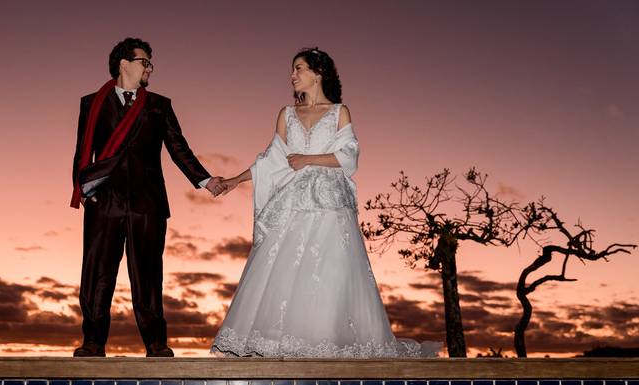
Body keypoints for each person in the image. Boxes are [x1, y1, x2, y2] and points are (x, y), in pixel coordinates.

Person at [210, 48, 441, 358]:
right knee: (285, 273)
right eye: (293, 69)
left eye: (299, 68)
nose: (292, 75)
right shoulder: (286, 114)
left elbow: (349, 156)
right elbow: (271, 160)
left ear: (318, 73)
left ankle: (327, 342)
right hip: (293, 203)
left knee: (329, 273)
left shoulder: (339, 112)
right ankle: (287, 345)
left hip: (330, 204)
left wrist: (309, 159)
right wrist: (235, 180)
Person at [71, 37, 226, 358]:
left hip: (148, 203)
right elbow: (82, 150)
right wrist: (83, 191)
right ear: (123, 64)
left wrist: (205, 180)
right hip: (104, 202)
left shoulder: (159, 105)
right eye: (145, 62)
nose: (150, 69)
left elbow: (178, 147)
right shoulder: (91, 103)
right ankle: (92, 343)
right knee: (97, 275)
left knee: (148, 275)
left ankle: (156, 345)